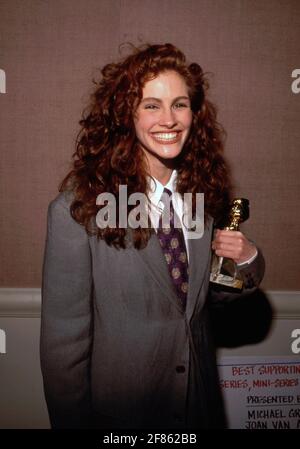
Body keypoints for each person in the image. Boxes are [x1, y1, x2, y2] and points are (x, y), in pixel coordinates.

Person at [40, 43, 265, 429]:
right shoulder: (79, 209)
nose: (169, 119)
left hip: (199, 410)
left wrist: (246, 261)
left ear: (195, 113)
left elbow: (205, 298)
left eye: (180, 104)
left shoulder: (202, 196)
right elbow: (64, 350)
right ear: (125, 115)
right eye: (151, 105)